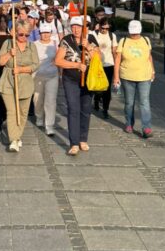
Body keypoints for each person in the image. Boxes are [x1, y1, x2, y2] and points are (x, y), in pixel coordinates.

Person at [55, 16, 98, 156]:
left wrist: (88, 47)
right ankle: (74, 143)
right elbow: (58, 61)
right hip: (71, 80)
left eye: (78, 27)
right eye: (73, 26)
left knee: (86, 109)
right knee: (73, 109)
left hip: (88, 80)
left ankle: (83, 139)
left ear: (83, 28)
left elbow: (99, 58)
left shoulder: (91, 38)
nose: (76, 29)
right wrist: (77, 65)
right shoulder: (66, 40)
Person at [0, 18, 39, 151]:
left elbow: (35, 65)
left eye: (27, 35)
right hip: (8, 81)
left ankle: (17, 135)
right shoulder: (8, 43)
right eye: (21, 34)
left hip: (25, 83)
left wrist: (21, 69)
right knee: (12, 111)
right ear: (15, 32)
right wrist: (10, 54)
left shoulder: (31, 46)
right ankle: (13, 140)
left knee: (23, 113)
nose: (24, 37)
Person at [113, 20, 155, 138]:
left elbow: (149, 56)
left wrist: (152, 70)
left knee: (144, 102)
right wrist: (116, 77)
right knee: (129, 103)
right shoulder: (123, 41)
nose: (134, 35)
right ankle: (129, 123)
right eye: (133, 32)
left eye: (136, 32)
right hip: (127, 77)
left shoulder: (146, 40)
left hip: (144, 76)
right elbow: (117, 59)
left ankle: (146, 127)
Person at [33, 20, 59, 136]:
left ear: (51, 33)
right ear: (39, 33)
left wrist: (61, 74)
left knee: (50, 100)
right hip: (37, 76)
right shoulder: (34, 44)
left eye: (47, 32)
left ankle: (49, 125)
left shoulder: (55, 44)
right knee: (37, 100)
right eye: (43, 32)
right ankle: (39, 117)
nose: (45, 35)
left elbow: (59, 59)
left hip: (52, 76)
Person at [93, 17, 117, 118]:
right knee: (98, 87)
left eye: (107, 28)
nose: (104, 30)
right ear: (99, 26)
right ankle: (96, 99)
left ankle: (105, 109)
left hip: (109, 64)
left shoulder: (112, 36)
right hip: (97, 65)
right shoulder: (94, 34)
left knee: (107, 88)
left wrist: (116, 65)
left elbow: (114, 51)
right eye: (103, 28)